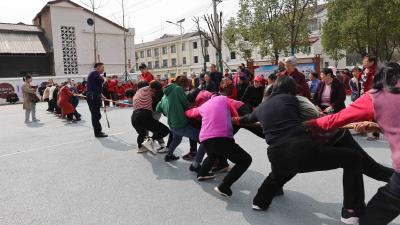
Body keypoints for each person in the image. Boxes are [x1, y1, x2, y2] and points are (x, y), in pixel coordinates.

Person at [235, 76, 365, 224]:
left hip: (275, 154)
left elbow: (247, 119)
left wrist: (236, 119)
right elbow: (313, 114)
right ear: (291, 90)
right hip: (300, 150)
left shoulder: (261, 107)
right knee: (354, 158)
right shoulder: (292, 99)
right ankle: (351, 211)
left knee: (279, 172)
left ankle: (259, 202)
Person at [306, 62, 400, 225]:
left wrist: (311, 123)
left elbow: (334, 120)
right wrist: (377, 124)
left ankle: (352, 212)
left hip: (334, 121)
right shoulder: (322, 85)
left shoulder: (377, 94)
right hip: (341, 118)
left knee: (373, 216)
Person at [185, 95, 252, 197]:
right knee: (245, 160)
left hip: (205, 138)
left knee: (212, 155)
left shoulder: (204, 105)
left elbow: (191, 113)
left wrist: (184, 111)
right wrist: (239, 120)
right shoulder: (224, 99)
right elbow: (235, 113)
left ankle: (202, 173)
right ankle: (224, 186)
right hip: (220, 137)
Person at [156, 76, 205, 163]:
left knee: (177, 139)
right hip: (180, 123)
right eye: (186, 85)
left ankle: (169, 155)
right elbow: (186, 104)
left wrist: (169, 111)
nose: (186, 88)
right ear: (184, 84)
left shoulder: (166, 93)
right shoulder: (178, 89)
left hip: (172, 123)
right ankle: (198, 165)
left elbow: (158, 108)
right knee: (203, 139)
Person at [131, 81, 170, 153]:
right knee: (164, 130)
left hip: (134, 118)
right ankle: (151, 142)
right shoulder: (152, 91)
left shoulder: (138, 92)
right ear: (152, 88)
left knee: (142, 133)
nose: (154, 92)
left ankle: (141, 148)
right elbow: (159, 103)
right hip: (144, 116)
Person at [86, 63, 107, 138]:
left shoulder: (95, 74)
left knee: (97, 114)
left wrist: (101, 95)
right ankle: (98, 132)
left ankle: (98, 131)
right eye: (102, 67)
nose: (103, 69)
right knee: (95, 115)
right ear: (97, 67)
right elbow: (101, 81)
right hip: (92, 96)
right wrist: (104, 78)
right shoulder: (94, 73)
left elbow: (96, 87)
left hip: (94, 95)